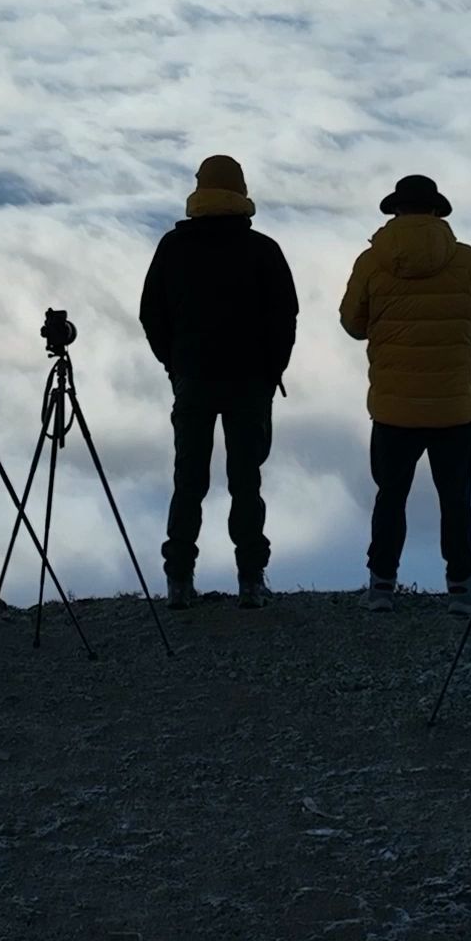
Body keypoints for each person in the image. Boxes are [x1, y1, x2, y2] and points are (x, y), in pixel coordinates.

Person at [138, 153, 298, 609]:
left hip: (193, 379)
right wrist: (272, 372)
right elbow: (285, 318)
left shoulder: (174, 247)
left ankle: (178, 581)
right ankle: (251, 579)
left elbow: (152, 314)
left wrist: (175, 365)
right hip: (250, 383)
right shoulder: (263, 250)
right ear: (241, 190)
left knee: (188, 480)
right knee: (246, 481)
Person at [338, 172, 471, 610]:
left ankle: (381, 585)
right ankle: (461, 587)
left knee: (390, 496)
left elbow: (352, 324)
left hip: (393, 408)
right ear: (435, 211)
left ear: (395, 211)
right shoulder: (467, 261)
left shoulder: (371, 262)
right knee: (455, 498)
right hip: (453, 406)